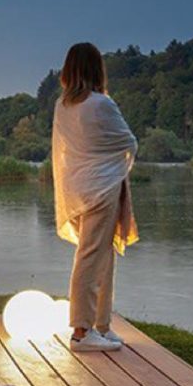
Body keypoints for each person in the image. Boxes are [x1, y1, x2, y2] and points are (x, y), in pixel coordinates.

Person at [51, 42, 139, 351]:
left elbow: (66, 151)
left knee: (102, 255)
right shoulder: (101, 104)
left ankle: (101, 325)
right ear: (96, 68)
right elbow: (128, 141)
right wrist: (110, 163)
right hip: (102, 188)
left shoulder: (64, 105)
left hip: (80, 187)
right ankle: (81, 331)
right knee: (91, 257)